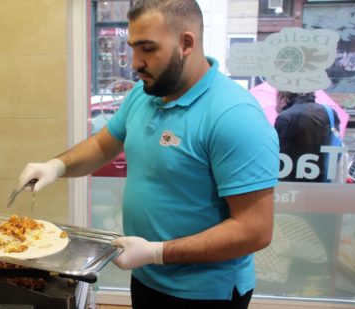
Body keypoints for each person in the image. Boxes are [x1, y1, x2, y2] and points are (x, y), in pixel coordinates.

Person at [17, 1, 279, 308]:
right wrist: (56, 166)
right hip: (147, 276)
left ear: (186, 43)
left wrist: (158, 252)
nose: (135, 62)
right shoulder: (144, 93)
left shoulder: (234, 115)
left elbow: (254, 230)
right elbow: (104, 144)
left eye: (148, 49)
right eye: (133, 48)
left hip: (204, 293)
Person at [274, 91, 341, 182]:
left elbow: (281, 159)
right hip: (322, 179)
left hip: (293, 183)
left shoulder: (286, 118)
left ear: (283, 96)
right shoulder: (330, 113)